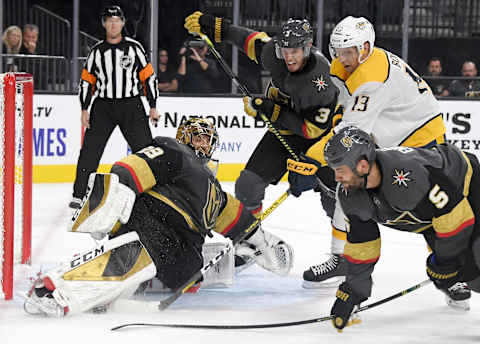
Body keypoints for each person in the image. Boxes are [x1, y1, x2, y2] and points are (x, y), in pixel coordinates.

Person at [23, 118, 294, 317]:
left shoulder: (216, 191)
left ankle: (131, 282)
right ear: (184, 137)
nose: (201, 143)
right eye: (196, 136)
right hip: (154, 219)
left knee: (189, 272)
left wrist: (262, 241)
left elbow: (237, 220)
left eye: (206, 139)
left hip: (183, 246)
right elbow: (131, 167)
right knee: (147, 250)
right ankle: (57, 287)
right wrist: (111, 199)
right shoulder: (176, 151)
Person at [290, 16, 447, 288]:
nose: (343, 57)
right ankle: (341, 258)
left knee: (428, 207)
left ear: (364, 48)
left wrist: (311, 160)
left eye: (349, 51)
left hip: (422, 142)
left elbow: (348, 135)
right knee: (348, 187)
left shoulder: (372, 79)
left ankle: (452, 266)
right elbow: (341, 108)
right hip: (388, 136)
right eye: (338, 51)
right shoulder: (347, 63)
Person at [184, 13, 340, 271]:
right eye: (285, 50)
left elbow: (312, 129)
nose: (289, 57)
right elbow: (248, 39)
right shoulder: (274, 54)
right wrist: (213, 26)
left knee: (333, 199)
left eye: (296, 51)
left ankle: (343, 257)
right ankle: (252, 242)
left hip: (320, 142)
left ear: (308, 48)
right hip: (285, 133)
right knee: (248, 184)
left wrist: (271, 110)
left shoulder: (320, 80)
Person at [317, 126, 479, 331]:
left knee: (474, 269)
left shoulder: (408, 175)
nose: (337, 178)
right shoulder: (349, 194)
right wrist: (353, 291)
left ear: (363, 165)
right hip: (430, 216)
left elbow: (457, 221)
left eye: (340, 169)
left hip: (466, 184)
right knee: (461, 268)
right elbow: (362, 244)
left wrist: (444, 263)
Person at [70, 5, 159, 210]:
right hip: (103, 107)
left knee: (146, 151)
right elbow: (86, 82)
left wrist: (153, 105)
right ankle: (79, 193)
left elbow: (149, 78)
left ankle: (155, 191)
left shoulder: (134, 48)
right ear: (104, 23)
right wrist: (84, 108)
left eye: (117, 19)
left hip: (131, 104)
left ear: (123, 23)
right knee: (90, 151)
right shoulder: (96, 52)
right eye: (109, 20)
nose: (113, 23)